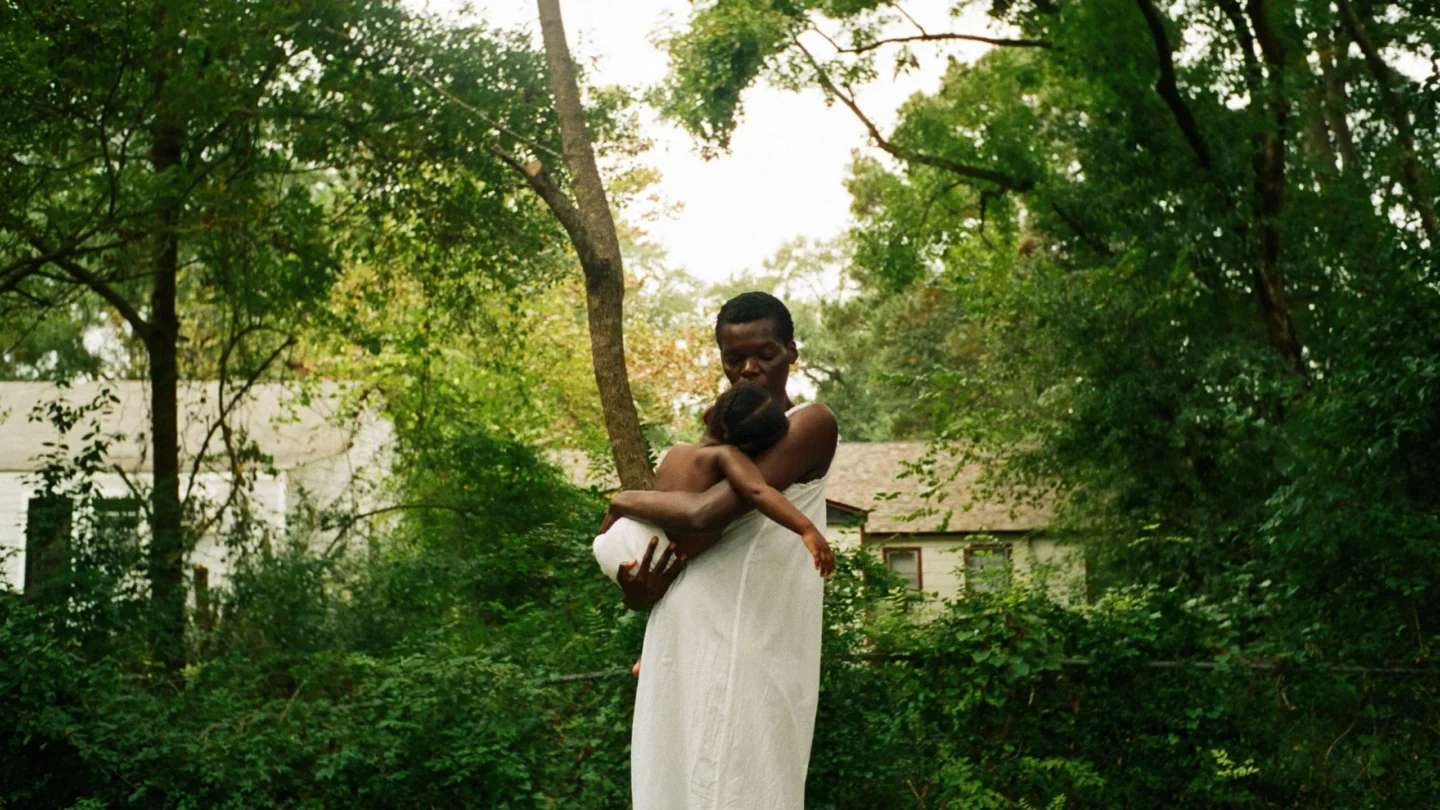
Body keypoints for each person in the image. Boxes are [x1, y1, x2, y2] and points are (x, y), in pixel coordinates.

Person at [597, 291, 839, 810]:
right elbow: (666, 564)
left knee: (747, 784)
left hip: (755, 639)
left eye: (766, 354)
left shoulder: (811, 423)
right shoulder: (724, 445)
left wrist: (622, 497)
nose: (749, 368)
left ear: (792, 352)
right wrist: (638, 591)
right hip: (685, 636)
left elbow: (707, 514)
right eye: (734, 359)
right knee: (675, 784)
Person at [592, 380, 835, 592]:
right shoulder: (724, 455)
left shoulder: (676, 452)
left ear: (708, 414)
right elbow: (758, 490)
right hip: (648, 556)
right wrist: (806, 528)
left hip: (616, 537)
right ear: (751, 450)